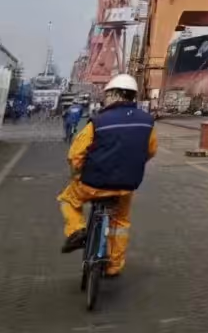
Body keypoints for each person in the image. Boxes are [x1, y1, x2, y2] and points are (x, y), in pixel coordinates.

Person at [57, 74, 157, 276]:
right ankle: (113, 266)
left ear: (114, 94)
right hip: (126, 185)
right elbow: (150, 150)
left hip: (93, 184)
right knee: (120, 223)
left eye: (107, 95)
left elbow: (75, 155)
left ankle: (77, 230)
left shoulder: (98, 121)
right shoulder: (148, 122)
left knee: (67, 200)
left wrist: (76, 174)